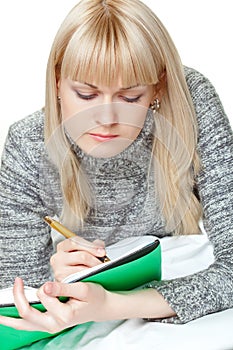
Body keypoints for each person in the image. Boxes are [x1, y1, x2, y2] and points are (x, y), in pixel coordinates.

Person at [0, 0, 232, 335]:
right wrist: (54, 284)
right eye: (86, 94)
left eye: (130, 98)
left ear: (158, 88)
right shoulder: (28, 144)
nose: (107, 120)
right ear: (56, 82)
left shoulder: (191, 103)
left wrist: (113, 304)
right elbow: (15, 300)